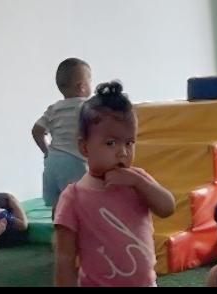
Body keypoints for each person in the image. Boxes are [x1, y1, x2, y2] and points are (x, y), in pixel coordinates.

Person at [53, 81, 176, 287]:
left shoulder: (138, 180)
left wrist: (139, 182)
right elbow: (65, 259)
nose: (123, 152)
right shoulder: (73, 197)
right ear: (84, 147)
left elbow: (167, 208)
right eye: (111, 143)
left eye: (129, 143)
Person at [33, 57, 93, 207]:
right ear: (82, 87)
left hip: (52, 162)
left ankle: (57, 222)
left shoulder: (54, 109)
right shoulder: (88, 107)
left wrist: (46, 151)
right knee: (81, 204)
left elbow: (37, 130)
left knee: (57, 205)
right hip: (75, 162)